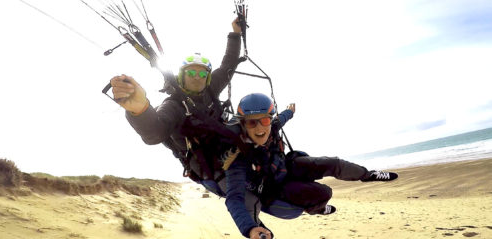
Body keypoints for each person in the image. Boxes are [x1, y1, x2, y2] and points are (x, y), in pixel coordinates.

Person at [222, 93, 399, 239]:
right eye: (252, 122)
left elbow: (281, 118)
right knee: (324, 192)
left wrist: (290, 111)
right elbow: (234, 198)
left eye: (265, 121)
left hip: (287, 166)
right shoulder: (238, 156)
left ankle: (367, 175)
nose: (260, 127)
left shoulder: (273, 128)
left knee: (332, 163)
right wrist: (249, 229)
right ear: (243, 124)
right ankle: (316, 209)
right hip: (276, 187)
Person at [109, 18, 243, 195]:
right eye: (191, 72)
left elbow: (228, 64)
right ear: (182, 76)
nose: (197, 77)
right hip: (205, 163)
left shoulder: (210, 89)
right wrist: (140, 111)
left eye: (202, 73)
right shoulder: (173, 105)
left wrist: (236, 33)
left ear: (208, 77)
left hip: (223, 144)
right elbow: (155, 133)